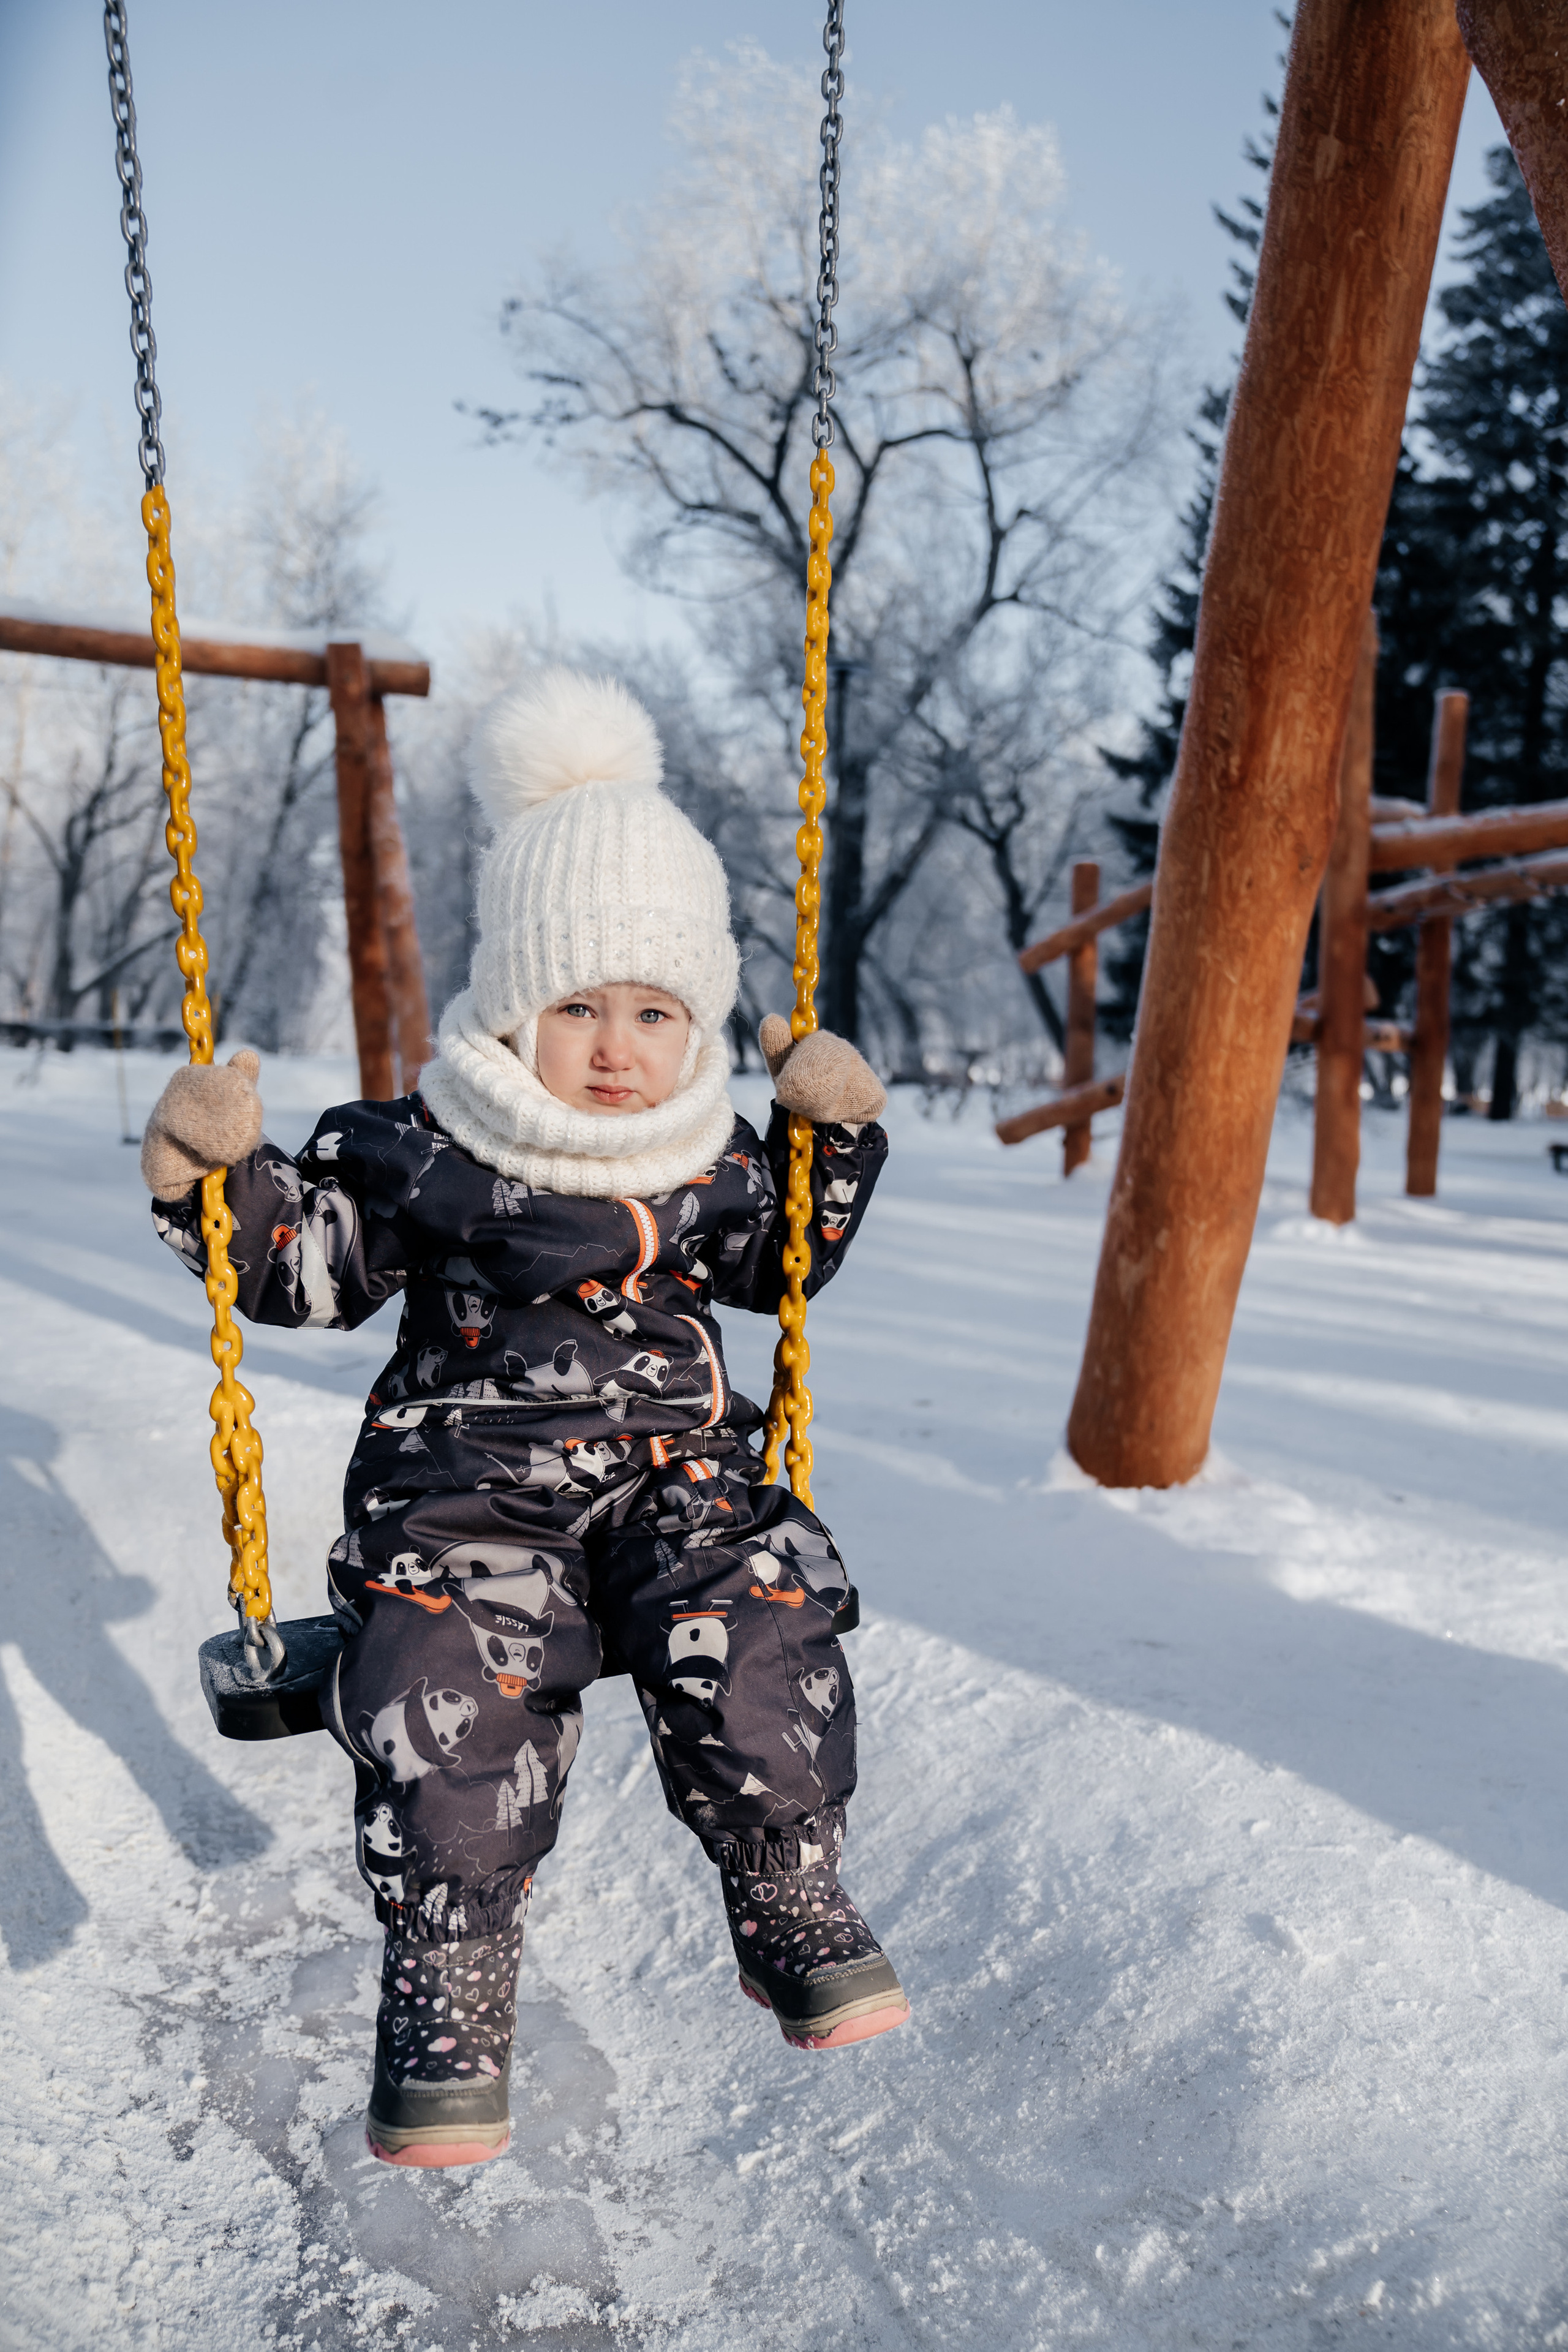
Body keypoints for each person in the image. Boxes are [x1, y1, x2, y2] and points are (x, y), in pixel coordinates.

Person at [140, 668, 908, 2172]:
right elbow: (306, 1274)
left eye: (652, 1010)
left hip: (672, 1484)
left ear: (691, 1026)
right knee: (445, 1685)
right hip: (466, 1502)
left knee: (756, 1616)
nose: (615, 1046)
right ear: (512, 1009)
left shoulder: (717, 1157)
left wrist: (836, 1138)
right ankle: (448, 1978)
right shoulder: (427, 1148)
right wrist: (213, 1181)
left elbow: (787, 1264)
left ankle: (785, 1888)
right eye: (575, 1007)